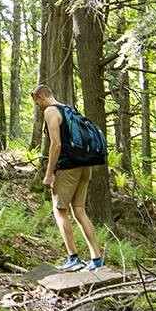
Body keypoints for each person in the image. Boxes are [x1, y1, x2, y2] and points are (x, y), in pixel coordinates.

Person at [32, 85, 105, 271]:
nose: (37, 106)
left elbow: (56, 145)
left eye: (36, 101)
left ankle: (73, 257)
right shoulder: (68, 109)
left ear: (41, 96)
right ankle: (96, 258)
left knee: (59, 210)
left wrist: (49, 174)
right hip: (84, 165)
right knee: (79, 210)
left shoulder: (50, 111)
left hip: (67, 166)